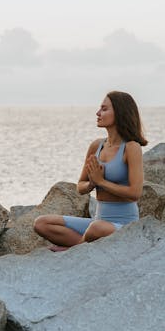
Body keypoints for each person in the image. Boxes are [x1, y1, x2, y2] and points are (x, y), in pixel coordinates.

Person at [33, 91, 147, 248]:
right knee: (41, 223)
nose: (98, 113)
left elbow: (135, 193)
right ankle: (81, 246)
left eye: (104, 109)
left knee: (96, 229)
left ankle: (73, 250)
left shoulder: (131, 148)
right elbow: (80, 186)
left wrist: (102, 182)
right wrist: (92, 184)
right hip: (97, 221)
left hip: (123, 225)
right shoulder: (96, 146)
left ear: (120, 113)